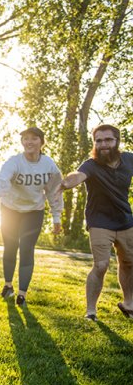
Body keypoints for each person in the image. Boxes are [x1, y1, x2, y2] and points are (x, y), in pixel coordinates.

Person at [60, 124, 133, 321]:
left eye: (108, 140)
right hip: (99, 222)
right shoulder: (91, 165)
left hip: (125, 220)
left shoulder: (129, 159)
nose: (103, 145)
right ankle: (91, 311)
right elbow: (76, 176)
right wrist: (65, 183)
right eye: (98, 141)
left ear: (117, 141)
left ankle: (129, 304)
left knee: (129, 262)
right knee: (101, 265)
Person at [0, 127, 63, 307]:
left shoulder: (49, 165)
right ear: (22, 142)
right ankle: (8, 285)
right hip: (10, 209)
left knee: (27, 248)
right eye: (26, 139)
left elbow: (55, 191)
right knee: (11, 246)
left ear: (42, 142)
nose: (29, 142)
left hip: (33, 211)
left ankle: (22, 293)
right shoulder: (14, 162)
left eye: (34, 139)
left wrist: (56, 217)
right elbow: (2, 178)